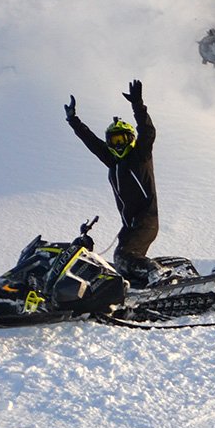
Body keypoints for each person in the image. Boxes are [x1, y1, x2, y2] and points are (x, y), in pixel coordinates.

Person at [64, 79, 165, 287]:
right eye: (114, 141)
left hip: (146, 220)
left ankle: (158, 274)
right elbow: (91, 142)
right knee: (122, 265)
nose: (118, 145)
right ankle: (139, 286)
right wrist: (74, 120)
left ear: (131, 139)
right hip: (130, 225)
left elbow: (148, 132)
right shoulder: (114, 163)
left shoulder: (140, 157)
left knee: (124, 256)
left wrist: (138, 104)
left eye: (122, 140)